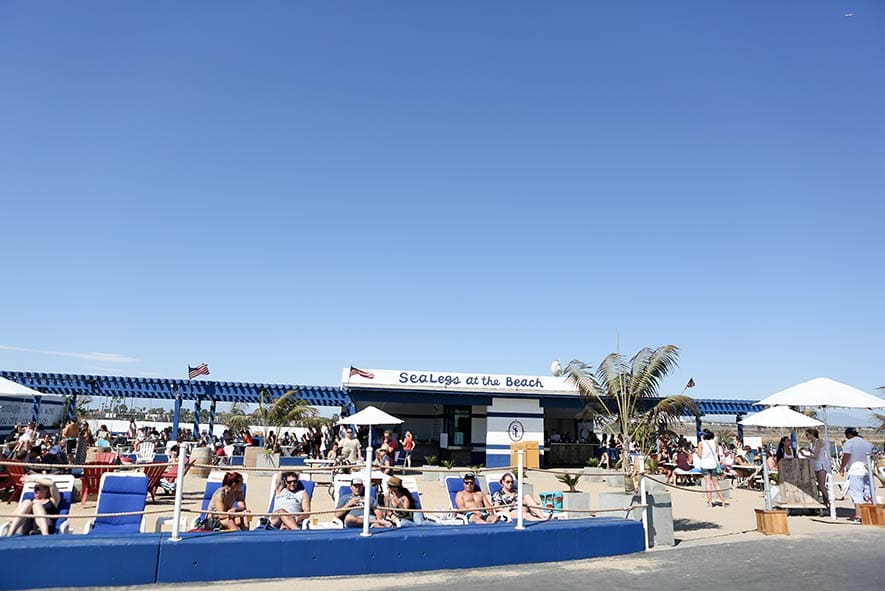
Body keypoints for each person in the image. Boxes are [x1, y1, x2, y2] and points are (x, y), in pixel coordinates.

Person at [839, 427, 874, 523]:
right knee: (868, 494)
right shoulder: (868, 444)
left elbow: (846, 455)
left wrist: (842, 468)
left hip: (855, 471)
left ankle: (859, 515)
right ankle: (869, 514)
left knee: (857, 493)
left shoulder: (849, 443)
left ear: (848, 435)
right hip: (867, 471)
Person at [697, 429, 728, 508]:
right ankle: (723, 502)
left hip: (704, 464)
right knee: (716, 483)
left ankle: (710, 503)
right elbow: (717, 453)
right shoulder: (715, 443)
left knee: (708, 483)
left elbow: (699, 455)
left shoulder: (701, 444)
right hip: (714, 464)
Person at [805, 428, 829, 513]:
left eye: (807, 435)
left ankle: (828, 504)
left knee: (822, 486)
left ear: (812, 434)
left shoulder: (818, 442)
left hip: (821, 464)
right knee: (818, 485)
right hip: (816, 464)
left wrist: (805, 455)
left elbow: (815, 455)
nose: (806, 437)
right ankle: (824, 503)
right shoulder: (814, 443)